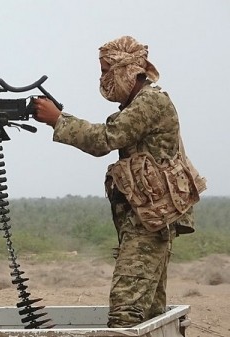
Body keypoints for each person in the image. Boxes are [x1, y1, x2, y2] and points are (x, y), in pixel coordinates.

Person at [32, 35, 206, 327]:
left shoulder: (150, 102)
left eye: (106, 70)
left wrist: (58, 120)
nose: (103, 79)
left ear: (127, 69)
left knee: (126, 313)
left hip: (150, 222)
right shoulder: (137, 104)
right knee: (149, 313)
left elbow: (105, 138)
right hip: (146, 217)